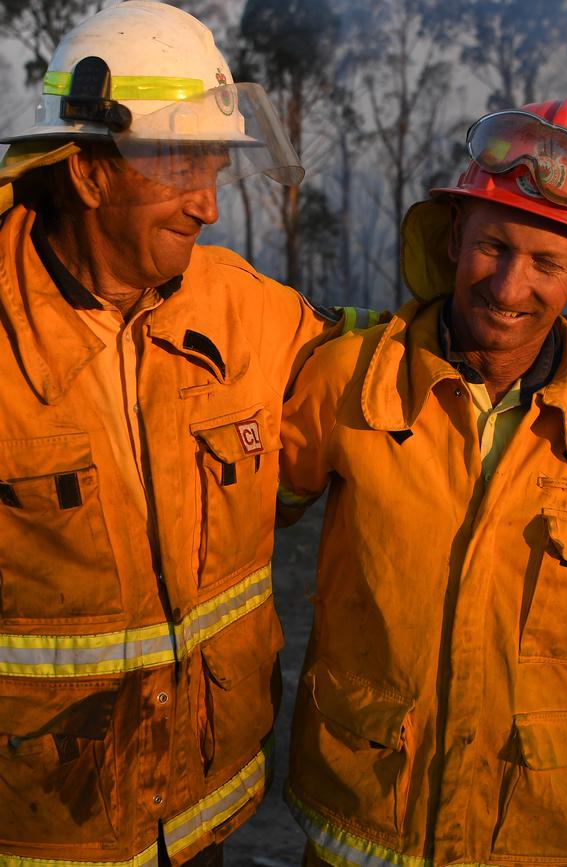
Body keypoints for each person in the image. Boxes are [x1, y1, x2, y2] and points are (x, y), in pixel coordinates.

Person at [0, 2, 387, 864]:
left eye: (216, 167)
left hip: (202, 816)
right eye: (181, 166)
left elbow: (376, 352)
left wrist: (552, 339)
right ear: (91, 170)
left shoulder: (243, 306)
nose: (209, 206)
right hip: (40, 837)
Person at [278, 98, 567, 867]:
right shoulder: (351, 380)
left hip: (535, 840)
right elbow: (217, 524)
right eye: (492, 247)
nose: (509, 288)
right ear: (454, 236)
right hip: (363, 835)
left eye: (547, 263)